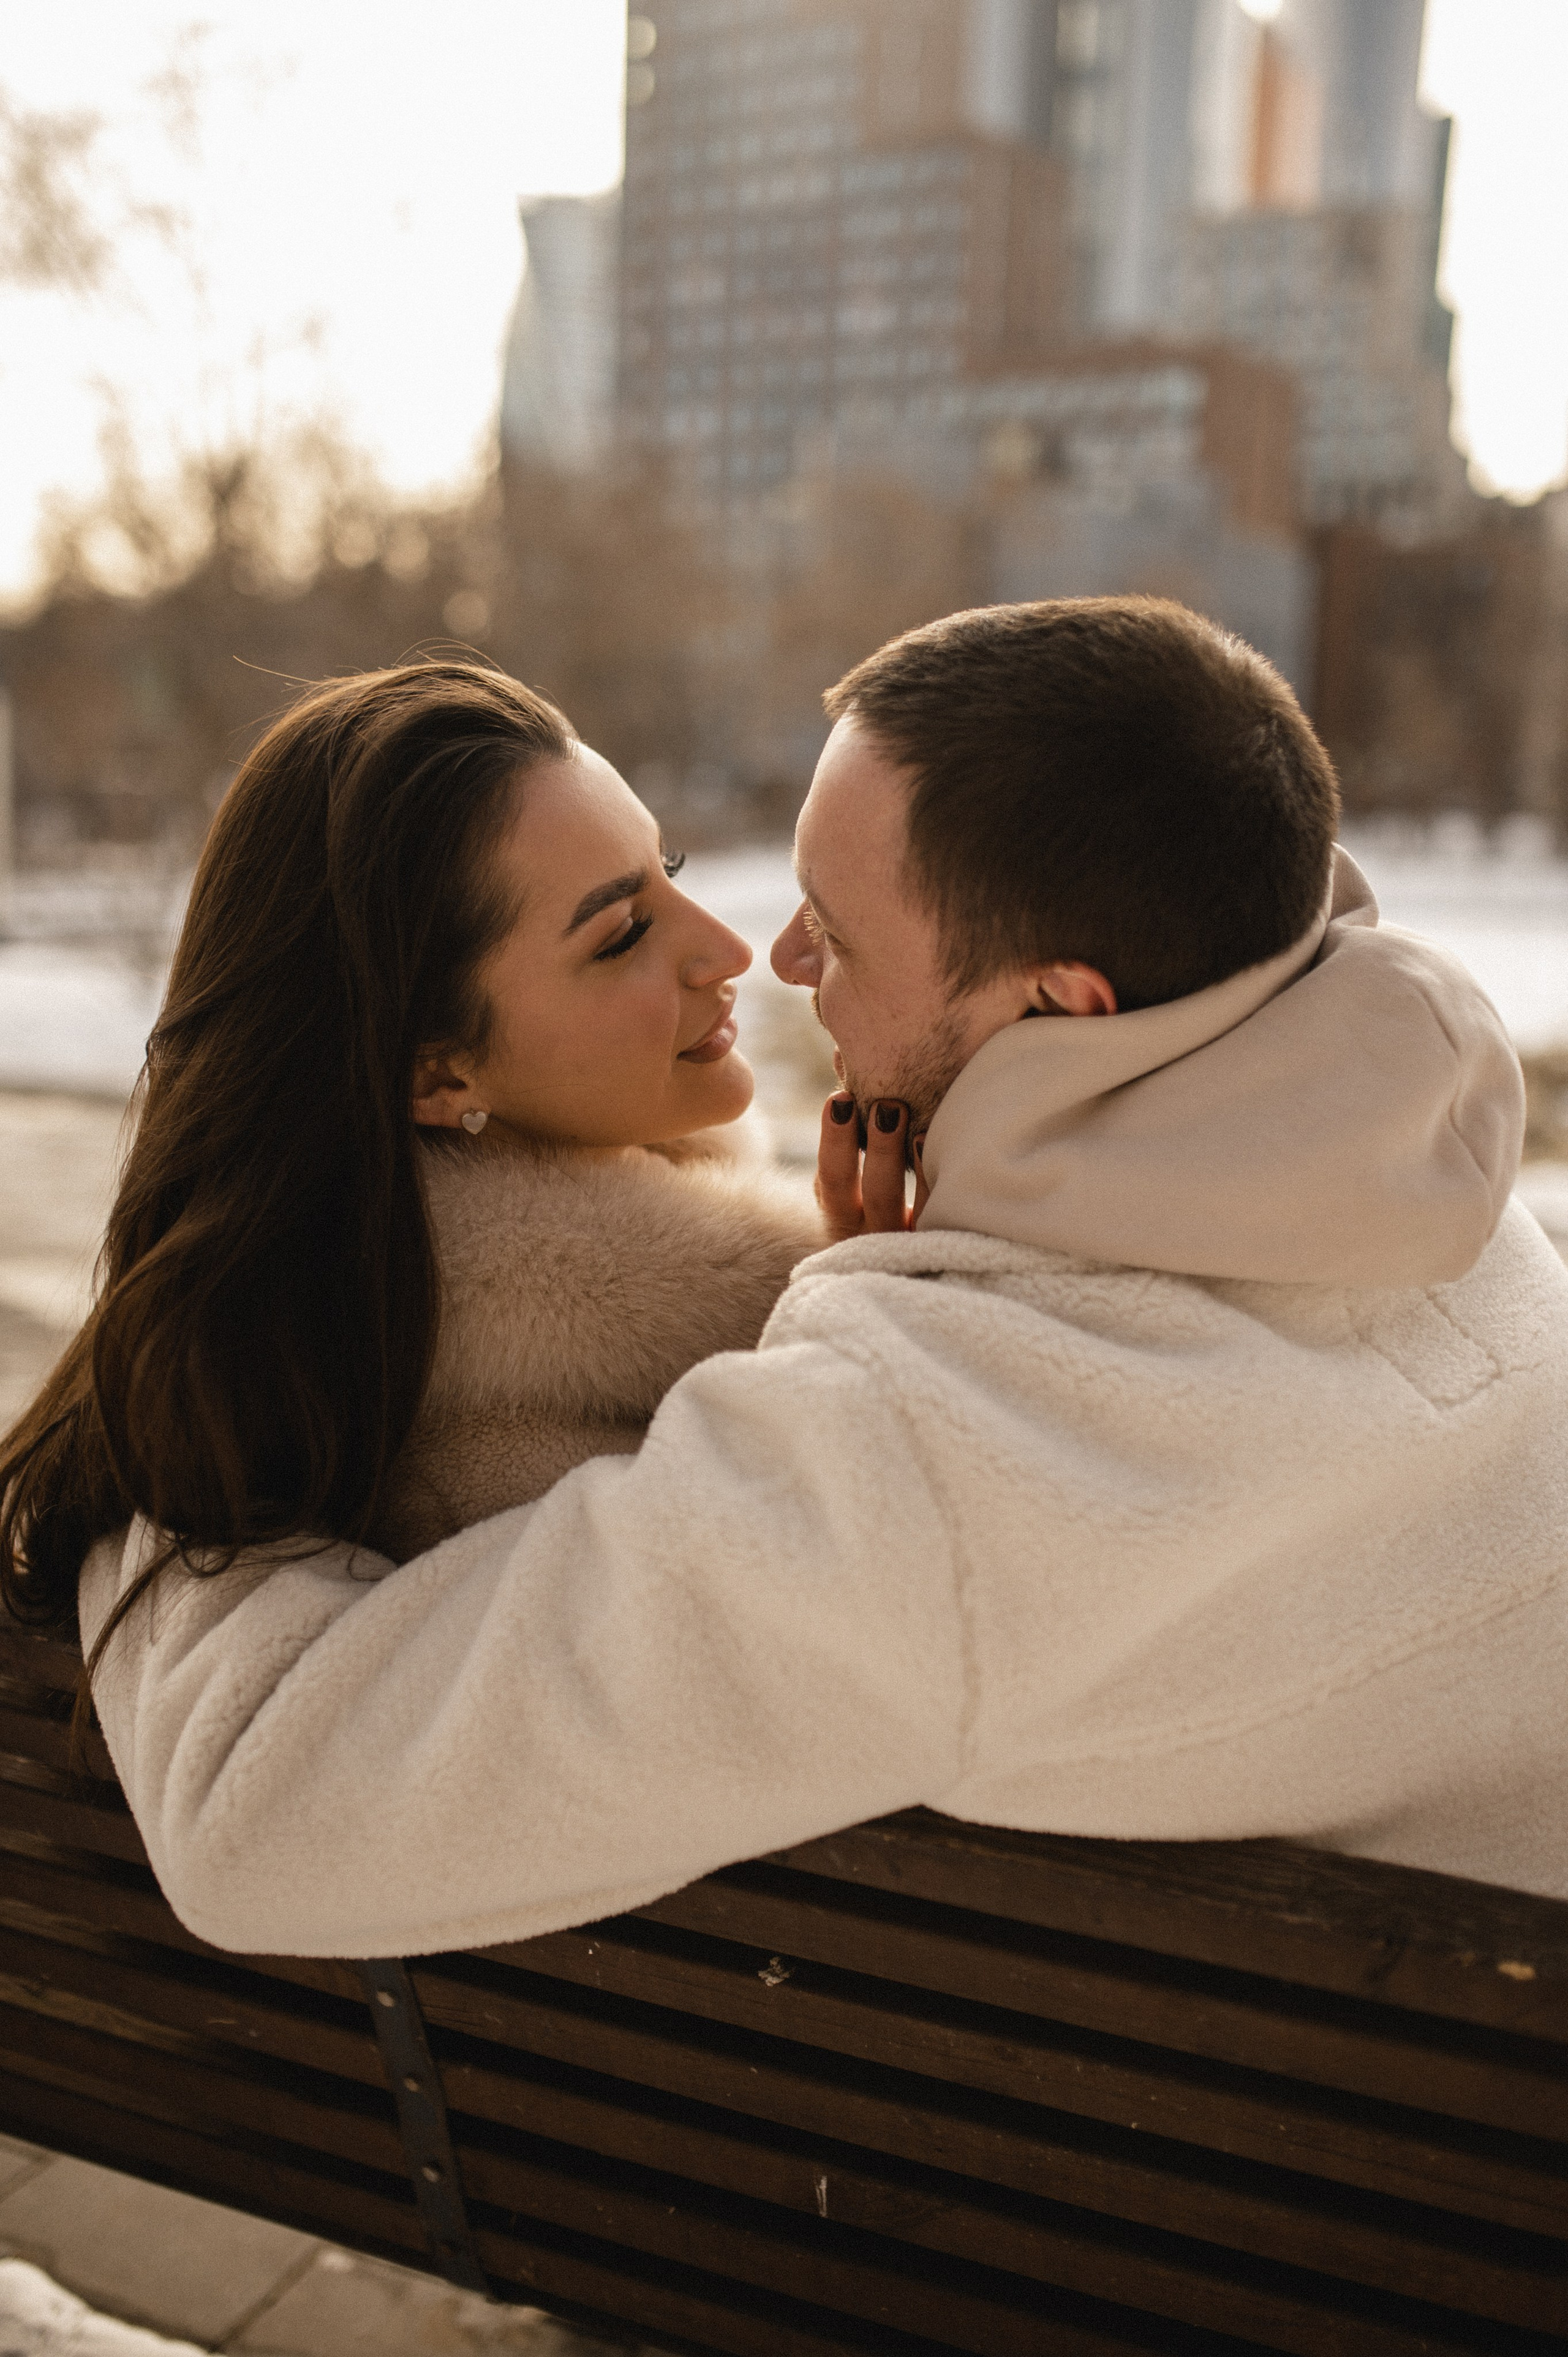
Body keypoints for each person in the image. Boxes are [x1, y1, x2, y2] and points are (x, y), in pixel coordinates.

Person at [33, 600, 1568, 1961]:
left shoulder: (932, 1466)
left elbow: (263, 1817)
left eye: (832, 932)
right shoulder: (1464, 1230)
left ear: (1058, 1004)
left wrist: (183, 1386)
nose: (762, 957)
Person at [0, 658, 821, 1648]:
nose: (729, 950)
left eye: (670, 872)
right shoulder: (515, 1485)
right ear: (437, 1076)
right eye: (622, 935)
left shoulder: (315, 1351)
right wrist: (863, 1304)